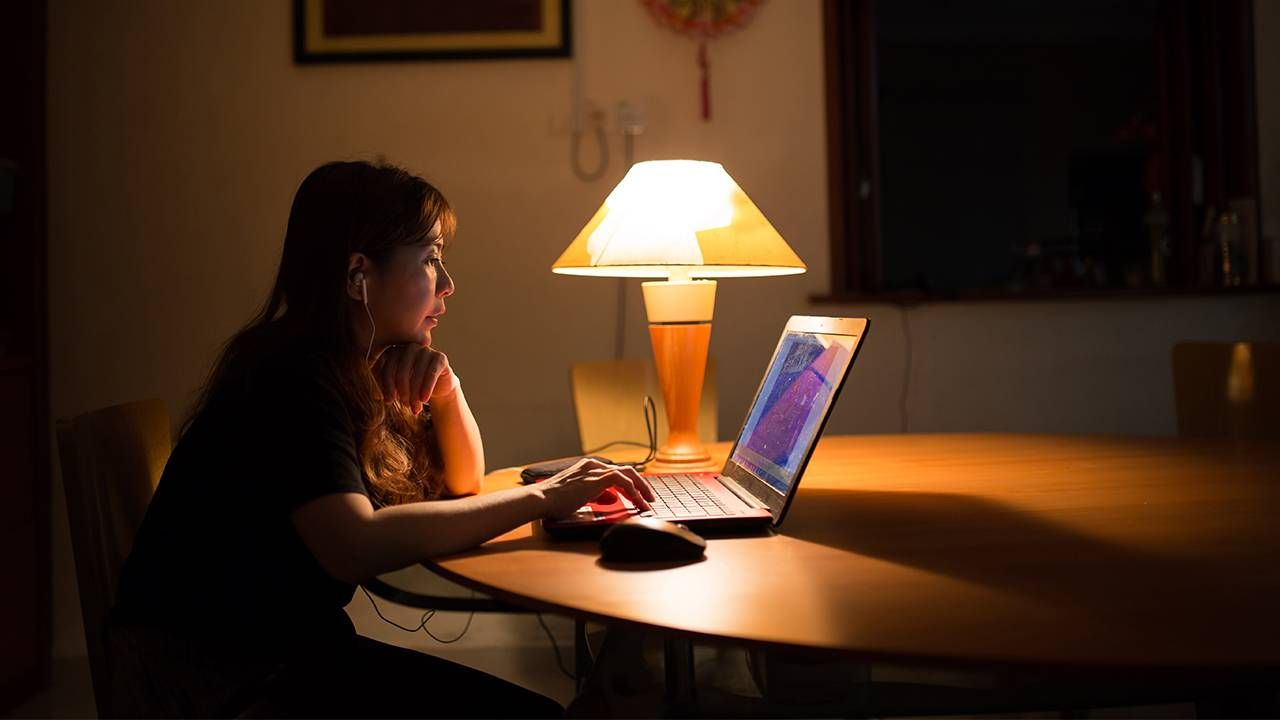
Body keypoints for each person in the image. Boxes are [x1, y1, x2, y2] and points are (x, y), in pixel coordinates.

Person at [109, 160, 655, 718]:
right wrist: (547, 496)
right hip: (220, 680)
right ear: (357, 276)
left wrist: (447, 390)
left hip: (279, 654)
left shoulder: (350, 366)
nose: (447, 284)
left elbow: (463, 483)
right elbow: (353, 545)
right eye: (429, 259)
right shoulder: (291, 375)